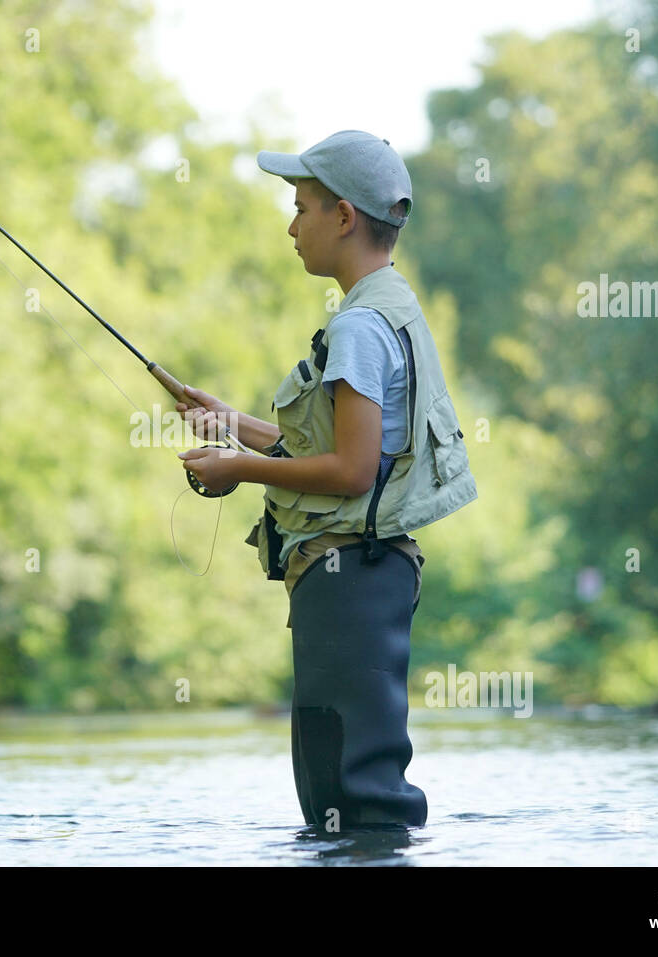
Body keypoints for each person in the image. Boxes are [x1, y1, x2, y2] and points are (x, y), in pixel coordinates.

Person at [178, 131, 477, 829]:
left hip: (353, 578)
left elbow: (349, 470)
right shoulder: (388, 306)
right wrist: (235, 424)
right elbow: (345, 449)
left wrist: (239, 468)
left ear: (344, 217)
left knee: (353, 792)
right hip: (358, 578)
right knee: (333, 788)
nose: (291, 225)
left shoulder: (359, 328)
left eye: (301, 206)